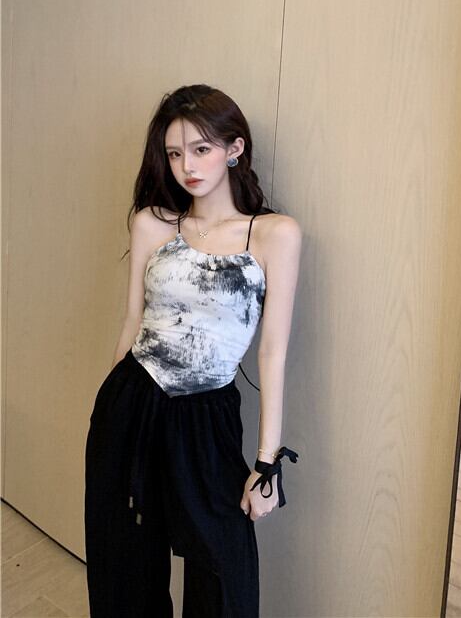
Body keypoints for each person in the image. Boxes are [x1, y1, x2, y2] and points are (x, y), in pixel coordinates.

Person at [84, 83, 302, 618]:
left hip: (208, 415)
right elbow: (132, 321)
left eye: (201, 149)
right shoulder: (153, 223)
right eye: (175, 153)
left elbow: (272, 352)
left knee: (223, 571)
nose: (187, 166)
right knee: (125, 560)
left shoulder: (273, 234)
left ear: (234, 148)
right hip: (133, 401)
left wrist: (266, 463)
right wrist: (109, 415)